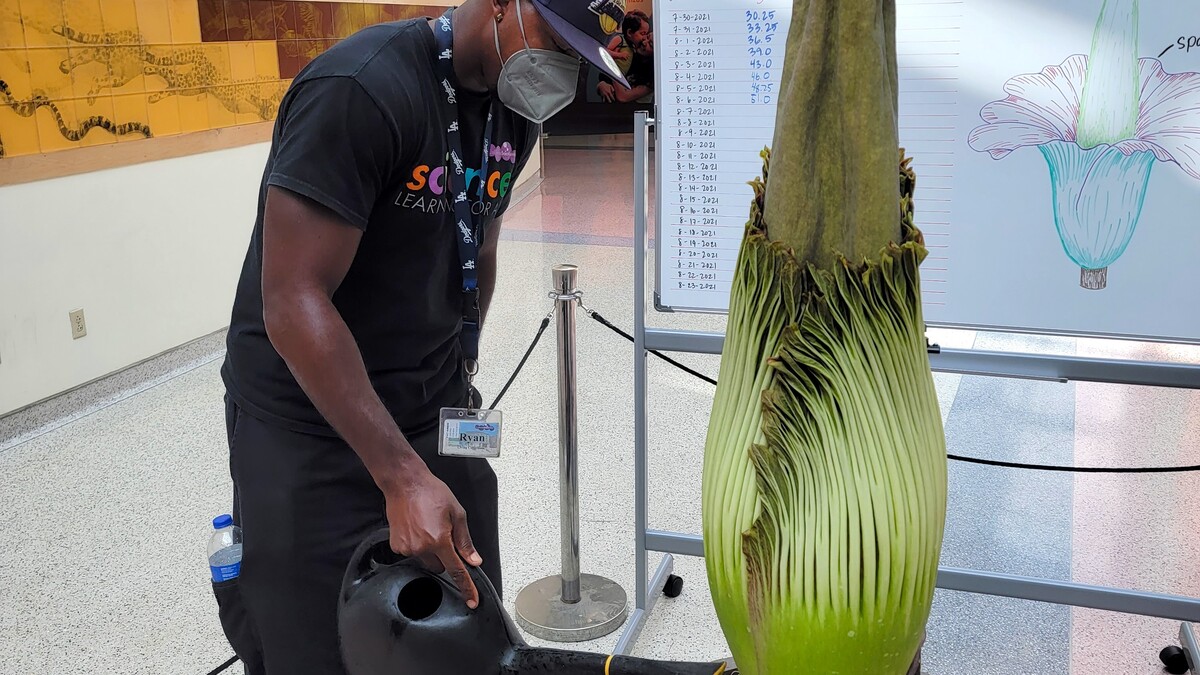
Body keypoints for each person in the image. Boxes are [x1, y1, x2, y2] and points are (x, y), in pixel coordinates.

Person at [211, 1, 630, 673]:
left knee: (462, 630)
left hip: (428, 405)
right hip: (309, 425)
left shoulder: (512, 108)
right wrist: (401, 475)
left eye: (579, 60)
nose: (562, 69)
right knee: (319, 645)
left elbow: (481, 243)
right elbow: (292, 299)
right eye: (555, 40)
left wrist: (461, 370)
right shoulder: (361, 90)